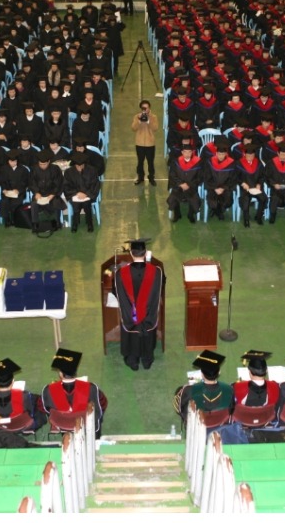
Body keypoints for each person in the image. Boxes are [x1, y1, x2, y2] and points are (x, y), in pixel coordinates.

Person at [113, 239, 164, 371]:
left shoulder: (120, 273)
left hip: (131, 315)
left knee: (132, 336)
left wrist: (132, 309)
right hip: (148, 315)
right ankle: (147, 360)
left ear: (131, 253)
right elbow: (160, 288)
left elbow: (117, 292)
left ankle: (133, 361)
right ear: (145, 253)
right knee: (147, 333)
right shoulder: (157, 272)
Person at [40, 349, 107, 434]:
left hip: (62, 424)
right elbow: (102, 405)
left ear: (60, 374)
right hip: (86, 424)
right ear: (75, 372)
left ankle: (66, 431)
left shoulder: (48, 390)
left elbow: (46, 409)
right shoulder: (91, 388)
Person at [0, 358, 45, 431]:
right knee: (38, 411)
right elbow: (30, 411)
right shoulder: (24, 395)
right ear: (13, 381)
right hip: (20, 425)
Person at [177, 350, 232, 421]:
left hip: (198, 425)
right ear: (219, 372)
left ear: (202, 374)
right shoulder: (229, 390)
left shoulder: (188, 390)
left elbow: (180, 408)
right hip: (220, 425)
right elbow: (232, 410)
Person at [234, 350, 282, 417]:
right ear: (266, 371)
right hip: (265, 418)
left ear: (249, 372)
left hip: (244, 418)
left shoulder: (238, 387)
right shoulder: (275, 386)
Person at [27, 149, 65, 234]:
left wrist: (52, 194)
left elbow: (58, 183)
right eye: (40, 164)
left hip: (51, 193)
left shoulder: (55, 169)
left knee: (56, 202)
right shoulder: (34, 169)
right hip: (39, 193)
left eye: (44, 164)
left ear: (49, 162)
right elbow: (31, 183)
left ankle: (57, 222)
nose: (42, 166)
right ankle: (35, 224)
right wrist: (36, 192)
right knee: (34, 203)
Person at [167, 140, 203, 222]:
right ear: (182, 152)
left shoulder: (197, 162)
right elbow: (172, 175)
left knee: (194, 199)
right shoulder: (176, 162)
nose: (187, 154)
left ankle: (191, 215)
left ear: (192, 152)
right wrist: (181, 184)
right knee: (173, 198)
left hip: (191, 187)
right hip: (178, 186)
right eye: (185, 152)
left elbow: (199, 177)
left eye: (189, 152)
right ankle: (177, 214)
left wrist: (189, 185)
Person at [203, 139, 236, 221]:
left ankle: (217, 211)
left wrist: (223, 188)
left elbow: (232, 178)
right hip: (213, 187)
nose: (221, 156)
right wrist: (215, 188)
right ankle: (219, 212)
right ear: (216, 153)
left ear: (226, 154)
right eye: (219, 154)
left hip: (225, 188)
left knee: (227, 201)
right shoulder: (209, 162)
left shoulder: (231, 163)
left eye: (223, 154)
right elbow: (207, 177)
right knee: (212, 201)